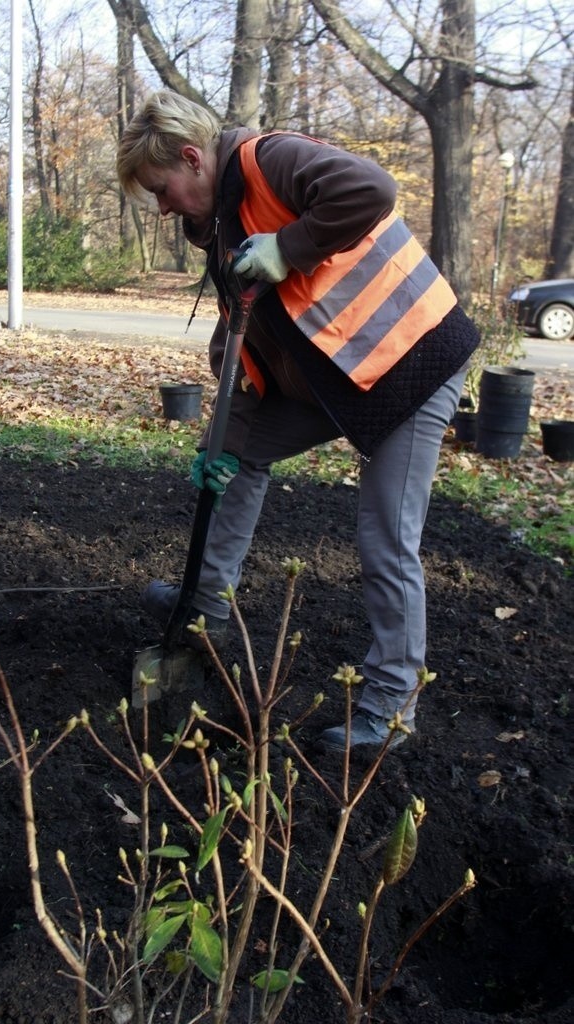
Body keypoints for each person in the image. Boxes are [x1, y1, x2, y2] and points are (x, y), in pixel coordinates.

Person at [117, 90, 480, 754]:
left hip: (410, 361)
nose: (163, 208)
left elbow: (370, 187)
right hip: (336, 375)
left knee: (384, 539)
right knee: (235, 455)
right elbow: (243, 337)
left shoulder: (269, 161)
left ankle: (390, 708)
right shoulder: (224, 220)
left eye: (162, 190)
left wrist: (290, 246)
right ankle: (204, 607)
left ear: (192, 159)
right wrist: (222, 441)